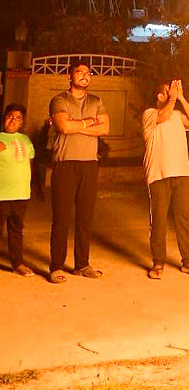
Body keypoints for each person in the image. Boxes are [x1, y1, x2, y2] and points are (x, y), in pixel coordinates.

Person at [48, 60, 110, 283]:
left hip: (89, 165)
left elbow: (105, 129)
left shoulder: (96, 100)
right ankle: (56, 266)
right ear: (70, 77)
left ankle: (82, 264)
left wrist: (78, 125)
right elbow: (63, 126)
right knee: (62, 218)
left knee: (85, 218)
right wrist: (89, 123)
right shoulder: (59, 100)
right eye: (79, 72)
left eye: (88, 72)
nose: (85, 75)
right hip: (65, 164)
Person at [142, 79, 189, 279]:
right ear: (160, 96)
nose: (173, 94)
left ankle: (188, 261)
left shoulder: (177, 115)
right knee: (158, 220)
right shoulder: (150, 114)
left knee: (185, 220)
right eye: (169, 92)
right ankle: (158, 262)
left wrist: (181, 98)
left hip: (183, 174)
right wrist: (173, 99)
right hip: (159, 176)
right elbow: (163, 115)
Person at [0, 104, 36, 277]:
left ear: (22, 122)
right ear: (4, 117)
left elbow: (29, 164)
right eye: (10, 116)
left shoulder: (26, 140)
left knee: (16, 230)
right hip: (1, 194)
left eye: (18, 118)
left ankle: (18, 263)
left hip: (21, 193)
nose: (13, 120)